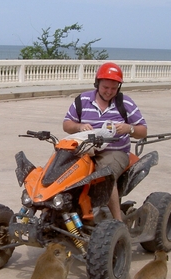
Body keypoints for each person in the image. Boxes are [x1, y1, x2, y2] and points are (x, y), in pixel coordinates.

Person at [63, 62, 147, 221]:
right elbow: (67, 125)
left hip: (115, 151)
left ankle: (117, 222)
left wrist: (129, 128)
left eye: (113, 88)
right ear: (97, 84)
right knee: (61, 168)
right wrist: (79, 126)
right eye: (105, 87)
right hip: (85, 148)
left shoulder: (125, 103)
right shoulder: (82, 100)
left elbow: (143, 131)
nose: (109, 92)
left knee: (105, 174)